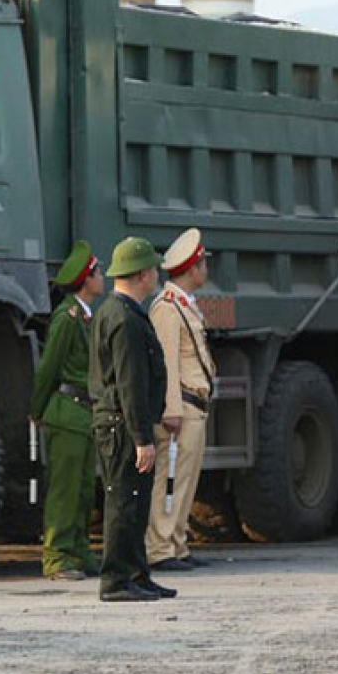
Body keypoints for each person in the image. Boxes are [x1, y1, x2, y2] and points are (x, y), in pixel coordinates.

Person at [89, 236, 177, 603]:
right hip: (122, 425)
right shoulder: (124, 318)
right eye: (153, 268)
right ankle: (116, 581)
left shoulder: (117, 310)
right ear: (142, 274)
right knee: (123, 501)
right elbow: (130, 383)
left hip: (122, 422)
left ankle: (137, 574)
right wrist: (142, 438)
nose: (157, 273)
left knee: (137, 502)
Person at [29, 241, 104, 581]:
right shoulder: (68, 318)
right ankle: (57, 555)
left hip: (84, 414)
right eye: (97, 273)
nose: (101, 278)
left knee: (85, 489)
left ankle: (79, 549)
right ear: (85, 280)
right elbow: (48, 368)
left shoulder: (87, 317)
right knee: (64, 490)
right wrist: (37, 409)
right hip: (67, 411)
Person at [146, 228, 217, 572]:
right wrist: (171, 409)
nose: (206, 270)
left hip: (195, 405)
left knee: (185, 479)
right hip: (183, 407)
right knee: (170, 478)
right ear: (193, 268)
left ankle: (177, 542)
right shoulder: (168, 308)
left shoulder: (184, 306)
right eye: (204, 264)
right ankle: (160, 547)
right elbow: (167, 364)